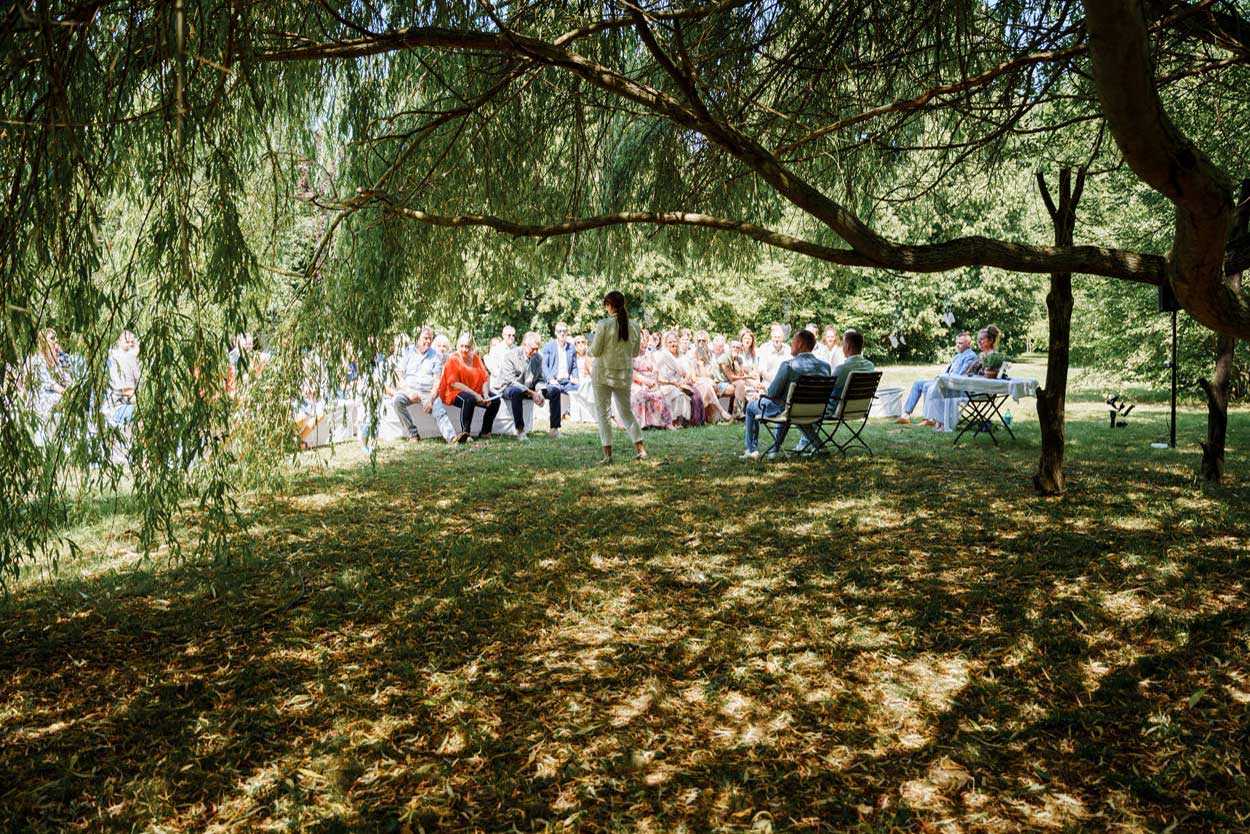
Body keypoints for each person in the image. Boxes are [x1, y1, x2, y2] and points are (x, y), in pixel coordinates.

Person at [741, 328, 830, 459]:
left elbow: (772, 393)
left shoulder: (789, 365)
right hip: (814, 410)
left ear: (800, 344)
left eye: (793, 342)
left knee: (750, 407)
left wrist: (761, 394)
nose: (790, 346)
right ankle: (816, 446)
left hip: (790, 409)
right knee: (789, 407)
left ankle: (751, 449)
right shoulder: (825, 367)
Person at [588, 291, 647, 464]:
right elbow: (635, 352)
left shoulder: (604, 324)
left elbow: (596, 351)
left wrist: (589, 350)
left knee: (603, 414)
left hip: (602, 373)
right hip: (623, 374)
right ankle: (641, 449)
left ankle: (608, 455)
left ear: (609, 305)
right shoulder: (634, 325)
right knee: (626, 412)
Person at [896, 331, 976, 425]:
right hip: (945, 380)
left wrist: (943, 379)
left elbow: (961, 375)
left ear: (968, 344)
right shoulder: (958, 355)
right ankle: (905, 415)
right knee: (917, 384)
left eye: (960, 343)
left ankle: (929, 418)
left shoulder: (970, 356)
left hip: (953, 385)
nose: (957, 345)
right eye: (957, 343)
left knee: (927, 386)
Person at [438, 332, 500, 443]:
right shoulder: (453, 359)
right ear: (458, 346)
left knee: (495, 400)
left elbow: (484, 378)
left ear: (471, 347)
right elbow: (454, 383)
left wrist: (485, 394)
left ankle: (485, 431)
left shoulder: (476, 358)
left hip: (475, 391)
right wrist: (475, 395)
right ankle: (466, 433)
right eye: (462, 346)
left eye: (467, 346)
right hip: (454, 391)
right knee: (469, 399)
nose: (464, 349)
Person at [391, 327, 442, 440]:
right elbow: (398, 376)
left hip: (427, 391)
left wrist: (431, 399)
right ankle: (413, 433)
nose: (429, 341)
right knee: (396, 401)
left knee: (438, 406)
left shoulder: (436, 355)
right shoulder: (406, 352)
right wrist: (408, 392)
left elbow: (437, 381)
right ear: (417, 338)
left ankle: (452, 437)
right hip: (409, 390)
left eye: (430, 338)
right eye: (425, 338)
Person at [496, 331, 547, 441]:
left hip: (529, 387)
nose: (535, 352)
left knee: (555, 391)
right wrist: (532, 393)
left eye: (537, 349)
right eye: (533, 349)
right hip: (508, 387)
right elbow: (511, 381)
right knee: (516, 391)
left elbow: (540, 379)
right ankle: (520, 429)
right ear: (524, 345)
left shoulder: (538, 358)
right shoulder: (511, 355)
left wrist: (540, 392)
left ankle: (554, 428)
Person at [540, 321, 579, 439]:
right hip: (553, 381)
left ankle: (585, 418)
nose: (562, 333)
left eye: (564, 331)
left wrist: (575, 377)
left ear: (567, 333)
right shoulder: (549, 346)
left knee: (583, 388)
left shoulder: (571, 347)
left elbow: (574, 366)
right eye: (559, 331)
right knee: (555, 391)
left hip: (567, 382)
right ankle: (554, 428)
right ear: (556, 333)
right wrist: (550, 379)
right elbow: (544, 366)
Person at [654, 330, 700, 425]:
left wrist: (683, 382)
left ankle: (681, 420)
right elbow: (659, 379)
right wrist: (674, 383)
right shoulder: (662, 356)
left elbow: (687, 373)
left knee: (684, 393)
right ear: (666, 344)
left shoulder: (682, 356)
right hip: (666, 384)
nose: (672, 344)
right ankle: (673, 420)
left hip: (679, 383)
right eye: (670, 342)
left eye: (674, 341)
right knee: (679, 394)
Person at [630, 348, 674, 429]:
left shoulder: (649, 353)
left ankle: (665, 423)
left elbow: (655, 368)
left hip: (651, 380)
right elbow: (631, 373)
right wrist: (645, 381)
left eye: (644, 339)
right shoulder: (629, 353)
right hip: (636, 382)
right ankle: (641, 424)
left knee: (659, 393)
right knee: (641, 392)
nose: (642, 341)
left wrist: (653, 380)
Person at [107, 329, 141, 426]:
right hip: (118, 409)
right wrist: (145, 403)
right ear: (119, 341)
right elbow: (128, 395)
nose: (130, 345)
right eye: (127, 342)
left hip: (128, 404)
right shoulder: (120, 361)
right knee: (142, 413)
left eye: (132, 342)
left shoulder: (132, 360)